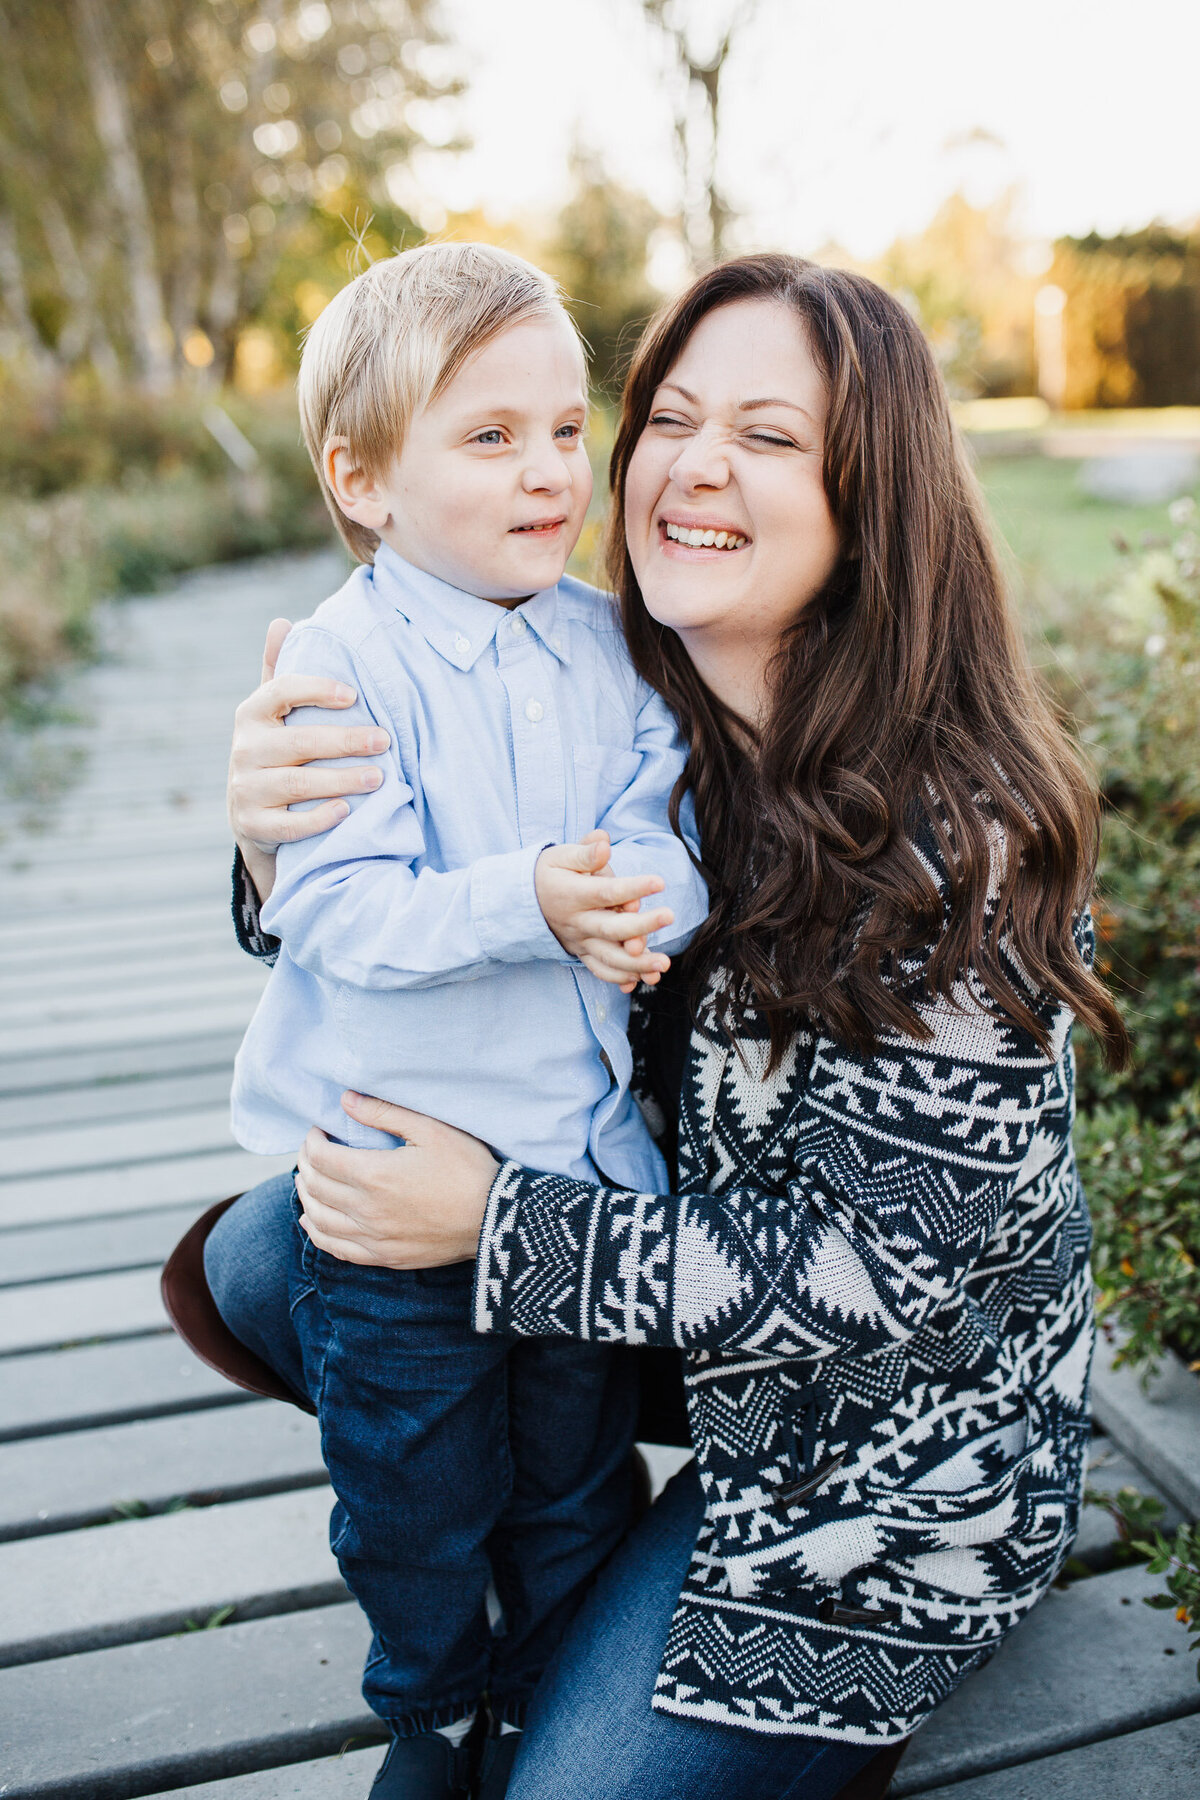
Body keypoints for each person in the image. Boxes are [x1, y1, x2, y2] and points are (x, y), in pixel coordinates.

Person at [197, 253, 1129, 1800]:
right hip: (691, 1318)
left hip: (887, 1444)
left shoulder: (956, 844)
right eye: (670, 417)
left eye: (768, 436)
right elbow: (434, 904)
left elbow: (888, 1292)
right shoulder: (624, 686)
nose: (691, 463)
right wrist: (273, 845)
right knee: (281, 1246)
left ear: (868, 499)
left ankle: (611, 1598)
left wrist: (494, 1223)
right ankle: (516, 1558)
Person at [224, 240, 708, 1799]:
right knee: (414, 1489)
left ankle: (547, 1686)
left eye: (567, 430)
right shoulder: (341, 666)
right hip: (389, 1189)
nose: (548, 472)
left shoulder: (607, 642)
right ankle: (432, 1710)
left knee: (572, 1481)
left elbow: (662, 820)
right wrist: (533, 902)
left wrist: (648, 896)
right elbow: (340, 910)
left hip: (571, 1177)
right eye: (489, 437)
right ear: (361, 478)